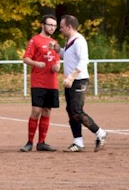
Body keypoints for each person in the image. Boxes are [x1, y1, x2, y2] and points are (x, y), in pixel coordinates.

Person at [51, 14, 108, 152]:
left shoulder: (79, 41)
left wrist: (72, 77)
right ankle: (78, 142)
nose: (60, 29)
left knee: (77, 111)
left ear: (69, 27)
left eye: (62, 27)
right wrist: (57, 49)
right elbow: (67, 55)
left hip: (78, 80)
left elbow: (84, 61)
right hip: (70, 81)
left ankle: (100, 133)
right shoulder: (70, 41)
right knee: (71, 111)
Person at [19, 15, 61, 152]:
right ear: (43, 25)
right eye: (50, 25)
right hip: (38, 81)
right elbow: (26, 58)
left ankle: (41, 142)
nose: (52, 28)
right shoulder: (35, 40)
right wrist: (36, 63)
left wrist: (57, 66)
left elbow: (57, 59)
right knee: (36, 111)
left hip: (51, 82)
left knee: (47, 111)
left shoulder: (54, 42)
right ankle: (29, 142)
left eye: (54, 25)